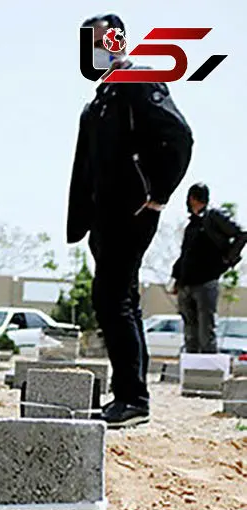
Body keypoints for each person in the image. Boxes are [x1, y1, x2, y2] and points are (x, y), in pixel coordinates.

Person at [68, 13, 193, 428]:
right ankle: (129, 395)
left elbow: (179, 135)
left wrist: (158, 196)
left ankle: (132, 399)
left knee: (110, 300)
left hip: (131, 212)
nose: (96, 49)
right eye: (90, 44)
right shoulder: (102, 98)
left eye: (102, 41)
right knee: (121, 302)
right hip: (103, 217)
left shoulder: (138, 80)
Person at [173, 183, 244, 354]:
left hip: (206, 281)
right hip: (186, 283)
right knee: (190, 332)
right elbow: (186, 253)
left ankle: (207, 372)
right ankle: (191, 367)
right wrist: (177, 278)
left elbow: (241, 234)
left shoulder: (213, 217)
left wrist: (226, 260)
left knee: (206, 331)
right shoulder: (193, 224)